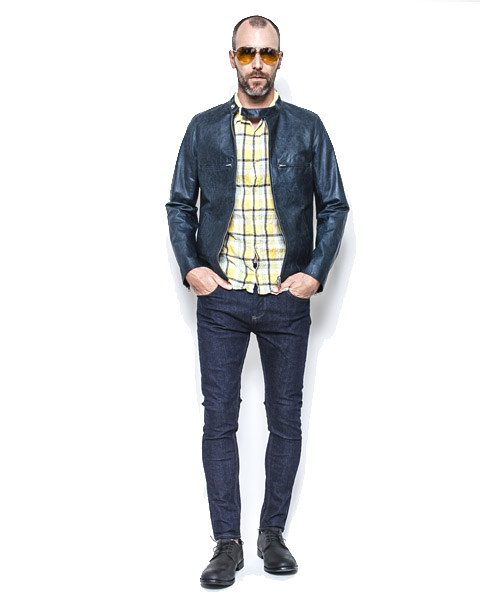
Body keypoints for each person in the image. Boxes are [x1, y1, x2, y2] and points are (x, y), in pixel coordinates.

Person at [166, 15, 349, 588]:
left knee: (284, 419)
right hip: (221, 296)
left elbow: (334, 205)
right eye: (247, 53)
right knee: (219, 420)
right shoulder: (202, 128)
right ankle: (227, 543)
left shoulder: (307, 128)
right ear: (232, 58)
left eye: (267, 54)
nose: (257, 64)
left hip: (284, 297)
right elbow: (179, 204)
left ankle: (272, 534)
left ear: (279, 60)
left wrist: (313, 274)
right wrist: (192, 267)